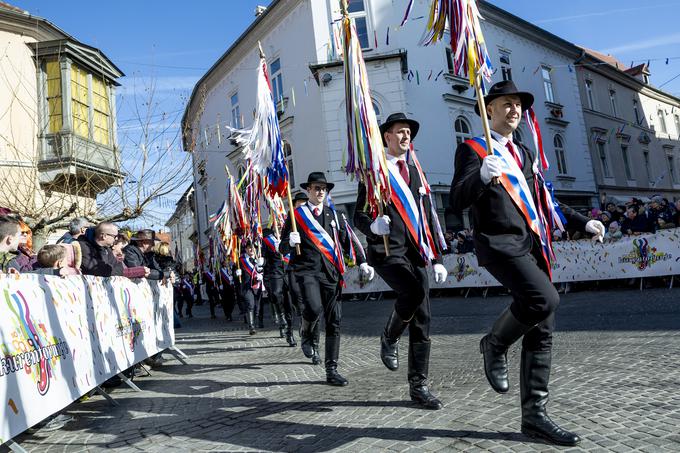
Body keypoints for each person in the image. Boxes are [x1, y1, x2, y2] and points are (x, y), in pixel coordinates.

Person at [450, 80, 605, 446]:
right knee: (544, 299)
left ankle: (535, 417)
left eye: (518, 104)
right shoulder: (472, 150)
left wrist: (582, 221)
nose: (514, 110)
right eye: (505, 103)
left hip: (533, 244)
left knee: (542, 329)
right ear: (488, 110)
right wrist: (481, 176)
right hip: (500, 244)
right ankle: (494, 344)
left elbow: (543, 200)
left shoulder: (523, 152)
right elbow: (456, 199)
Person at [354, 112, 448, 410]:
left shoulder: (415, 171)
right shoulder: (375, 173)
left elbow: (428, 216)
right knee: (412, 292)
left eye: (409, 132)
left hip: (416, 251)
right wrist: (372, 226)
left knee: (423, 319)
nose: (406, 136)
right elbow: (359, 214)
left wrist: (437, 258)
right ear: (387, 137)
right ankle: (390, 336)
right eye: (400, 131)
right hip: (386, 251)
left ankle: (418, 387)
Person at [280, 172, 374, 386]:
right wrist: (289, 241)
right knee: (313, 308)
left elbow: (348, 239)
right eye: (316, 187)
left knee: (335, 321)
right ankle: (306, 332)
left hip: (331, 273)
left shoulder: (335, 215)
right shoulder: (296, 216)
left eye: (323, 188)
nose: (320, 191)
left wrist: (362, 261)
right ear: (308, 190)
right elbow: (282, 247)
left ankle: (331, 369)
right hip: (306, 271)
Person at [261, 227, 288, 339]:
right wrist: (261, 262)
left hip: (289, 270)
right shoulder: (268, 241)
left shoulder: (290, 236)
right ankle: (282, 322)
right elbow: (264, 256)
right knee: (276, 295)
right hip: (275, 272)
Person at [238, 240, 263, 334]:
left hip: (257, 287)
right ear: (246, 249)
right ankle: (251, 327)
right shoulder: (241, 260)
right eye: (249, 247)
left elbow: (265, 270)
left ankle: (254, 320)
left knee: (257, 307)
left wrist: (262, 273)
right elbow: (234, 272)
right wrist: (237, 274)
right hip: (247, 287)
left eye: (253, 247)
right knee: (250, 304)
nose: (251, 249)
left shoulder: (259, 259)